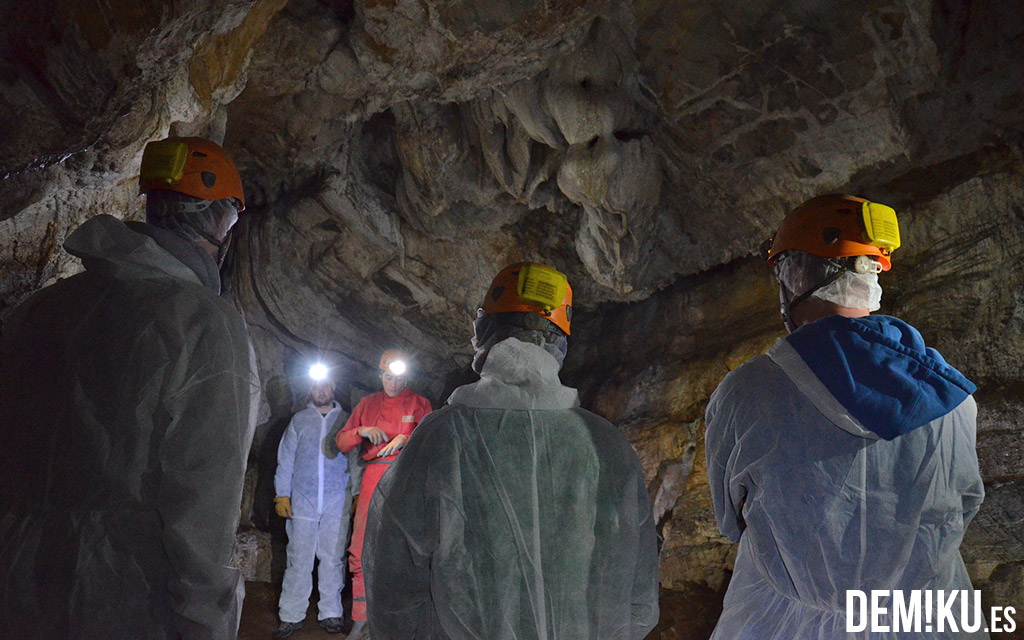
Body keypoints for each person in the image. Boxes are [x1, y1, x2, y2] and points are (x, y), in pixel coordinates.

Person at [0, 136, 260, 639]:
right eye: (227, 219)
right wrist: (205, 620)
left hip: (17, 580)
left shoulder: (43, 307)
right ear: (215, 220)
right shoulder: (203, 322)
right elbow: (205, 502)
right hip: (123, 596)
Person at [705, 194, 986, 639]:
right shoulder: (954, 399)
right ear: (872, 271)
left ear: (795, 274)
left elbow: (731, 519)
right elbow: (964, 506)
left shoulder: (746, 393)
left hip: (785, 623)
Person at [362, 262, 660, 639]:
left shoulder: (441, 439)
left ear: (485, 330)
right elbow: (640, 601)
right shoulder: (607, 445)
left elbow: (394, 588)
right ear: (561, 342)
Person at [335, 349, 432, 639]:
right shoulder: (368, 403)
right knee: (361, 545)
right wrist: (360, 431)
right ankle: (361, 620)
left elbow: (433, 443)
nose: (392, 383)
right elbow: (341, 442)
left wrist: (408, 437)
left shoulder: (419, 403)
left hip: (404, 479)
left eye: (398, 377)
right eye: (387, 377)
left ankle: (396, 622)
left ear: (407, 377)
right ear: (381, 375)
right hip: (374, 474)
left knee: (403, 547)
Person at [272, 365, 352, 638]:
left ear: (333, 388)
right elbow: (286, 460)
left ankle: (331, 613)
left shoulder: (347, 419)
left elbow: (357, 460)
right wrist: (282, 494)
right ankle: (291, 615)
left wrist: (354, 496)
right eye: (316, 386)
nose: (321, 391)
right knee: (299, 559)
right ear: (310, 389)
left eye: (326, 386)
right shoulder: (299, 421)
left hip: (336, 499)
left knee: (332, 558)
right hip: (303, 500)